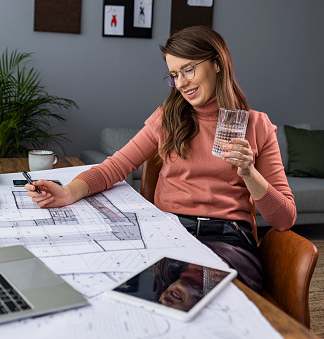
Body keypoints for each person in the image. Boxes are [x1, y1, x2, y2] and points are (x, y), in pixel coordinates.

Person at [24, 26, 296, 293]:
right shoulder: (168, 117)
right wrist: (68, 192)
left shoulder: (258, 126)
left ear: (217, 63)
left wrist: (249, 173)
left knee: (202, 290)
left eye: (188, 69)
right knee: (104, 277)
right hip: (167, 233)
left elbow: (284, 219)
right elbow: (117, 166)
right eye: (174, 75)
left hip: (226, 242)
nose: (181, 83)